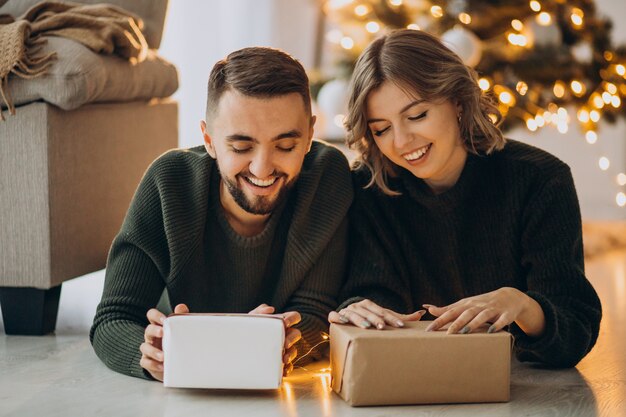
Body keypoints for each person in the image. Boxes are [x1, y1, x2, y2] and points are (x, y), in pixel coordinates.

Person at [329, 29, 602, 367]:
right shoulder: (369, 188)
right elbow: (375, 292)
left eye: (417, 116)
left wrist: (522, 305)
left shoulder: (540, 179)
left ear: (457, 101)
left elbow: (576, 331)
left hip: (522, 389)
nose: (401, 142)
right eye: (381, 129)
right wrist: (358, 307)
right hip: (412, 379)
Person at [90, 46, 353, 381]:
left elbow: (316, 310)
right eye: (241, 147)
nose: (263, 168)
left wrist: (284, 344)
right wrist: (152, 357)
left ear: (310, 134)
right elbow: (114, 317)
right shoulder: (169, 181)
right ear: (209, 140)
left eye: (286, 146)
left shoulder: (326, 175)